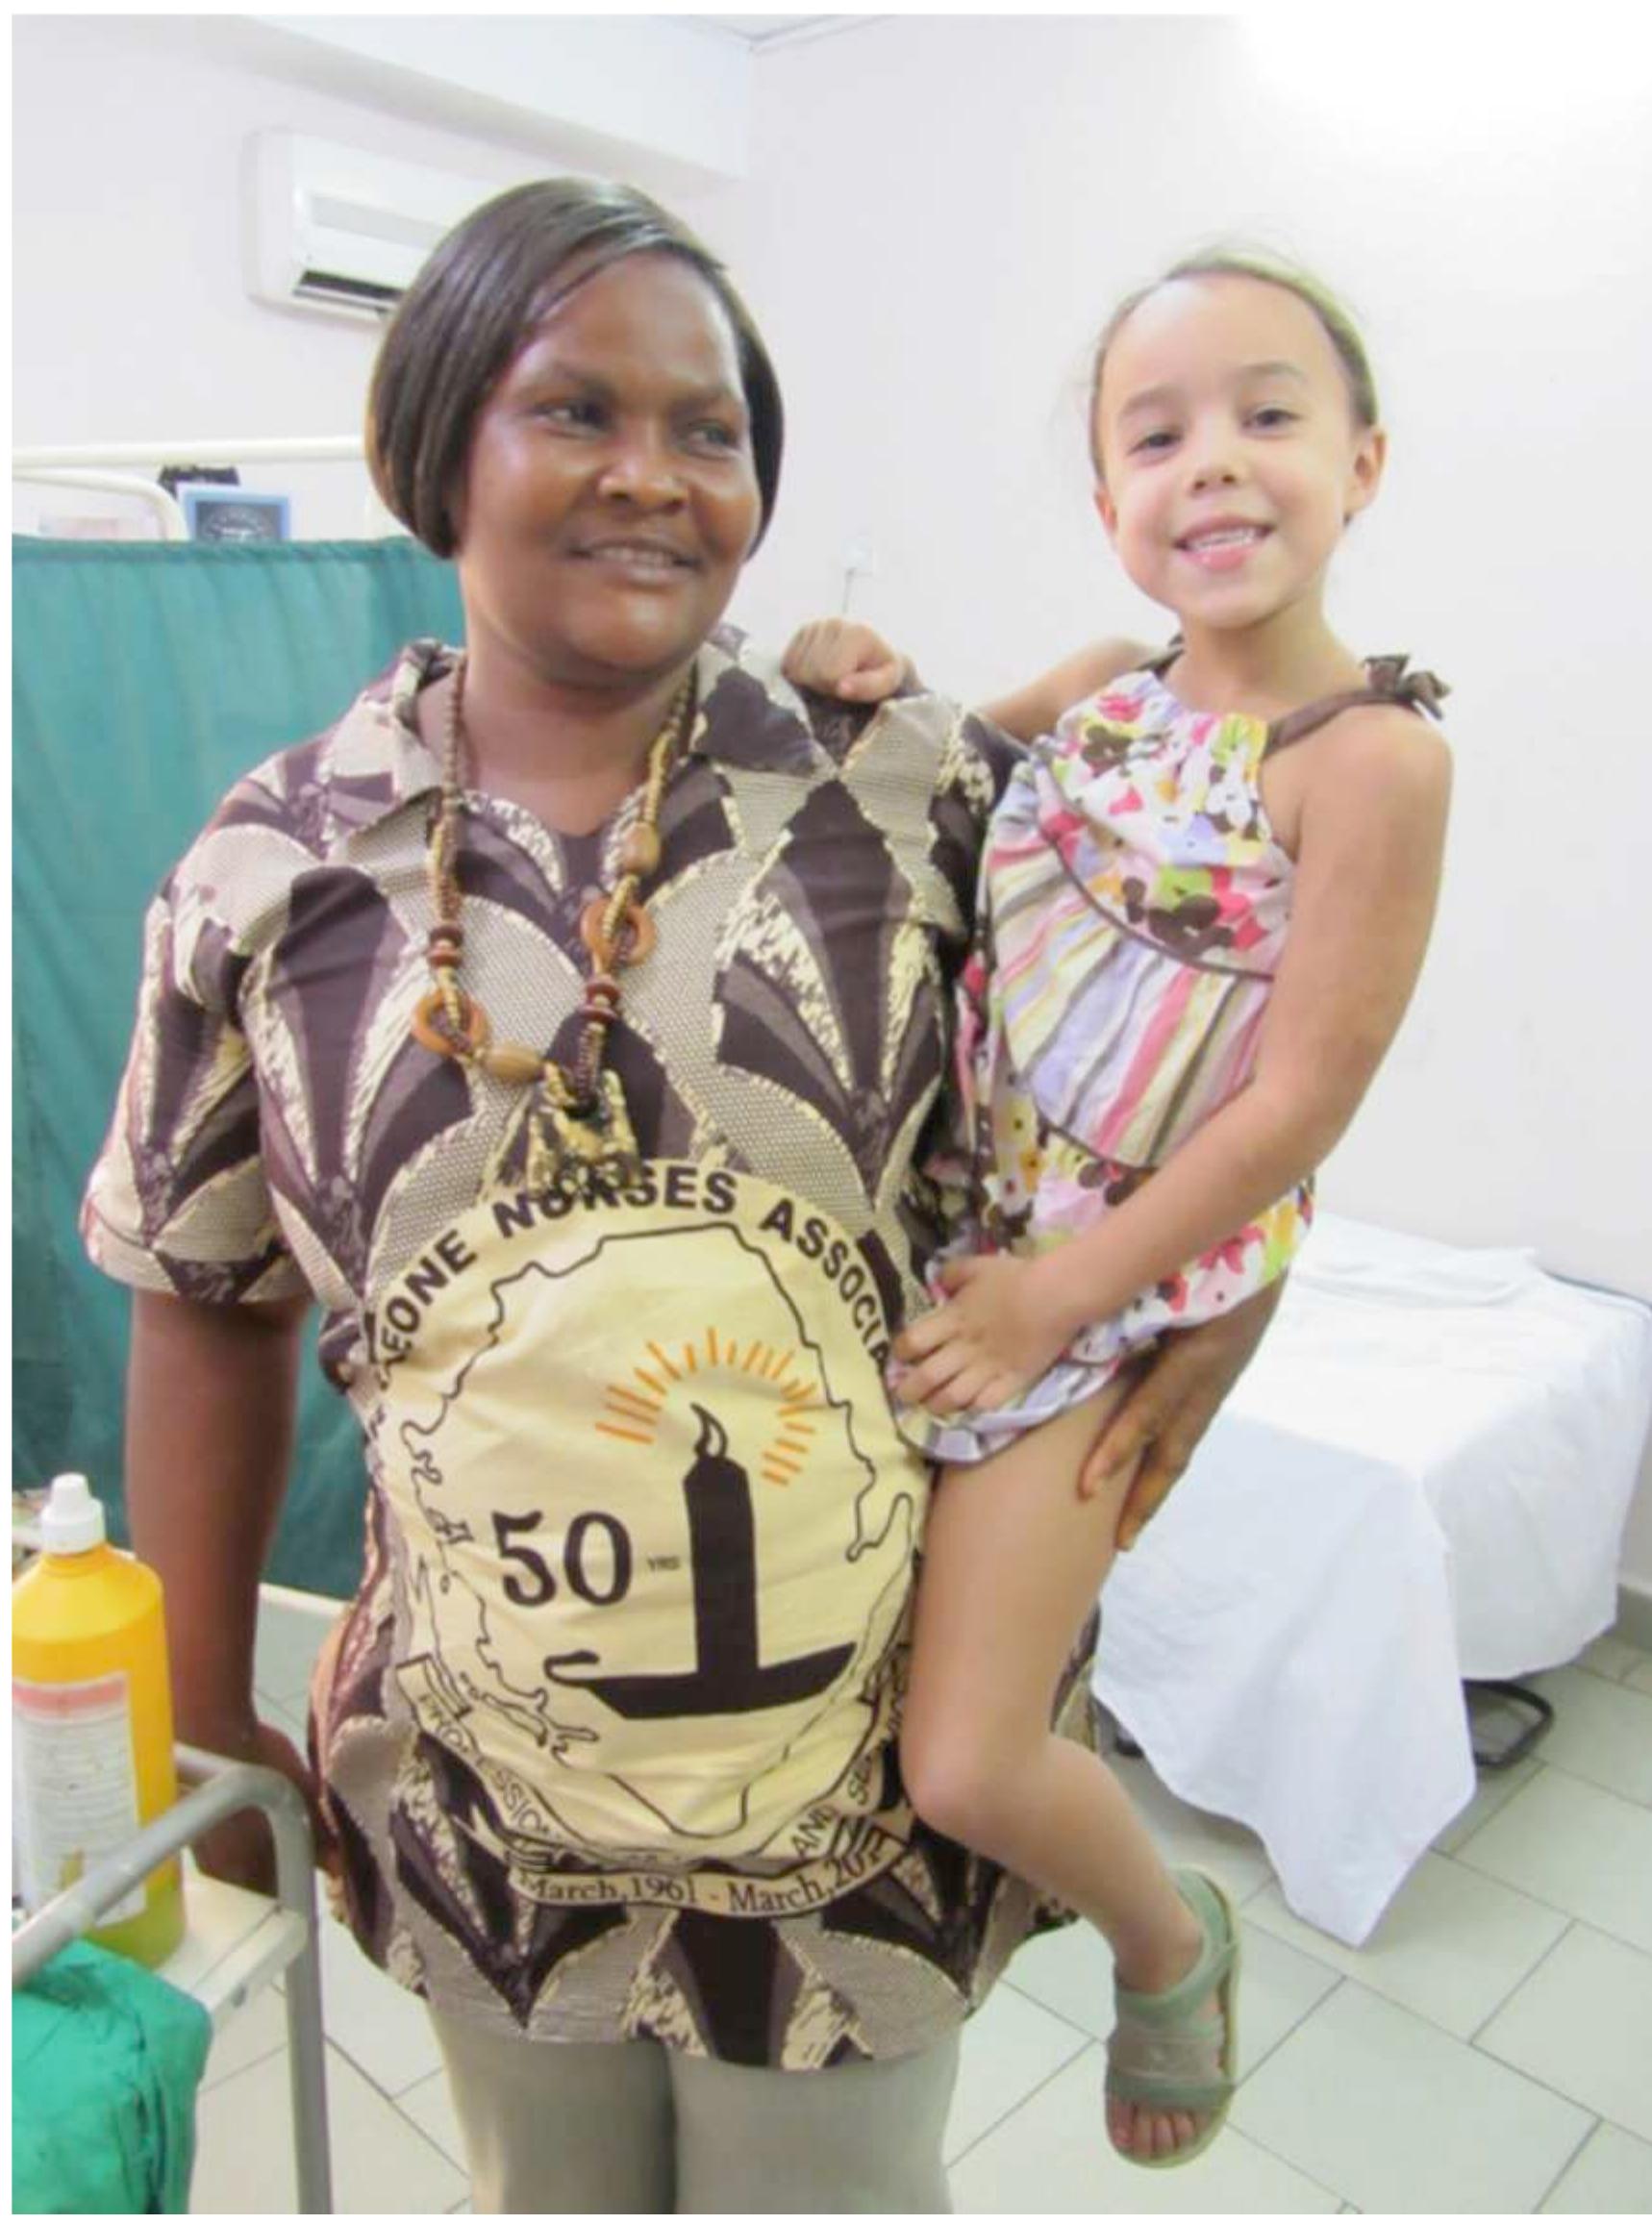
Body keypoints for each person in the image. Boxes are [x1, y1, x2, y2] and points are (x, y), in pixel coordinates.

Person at [82, 186, 1280, 2215]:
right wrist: (198, 1712)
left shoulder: (904, 782)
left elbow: (1176, 1035)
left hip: (852, 1781)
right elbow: (204, 1297)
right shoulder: (267, 868)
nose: (653, 475)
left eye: (708, 430)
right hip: (486, 1793)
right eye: (575, 410)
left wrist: (1237, 1292)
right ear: (437, 437)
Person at [784, 251, 1451, 2169]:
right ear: (1105, 505)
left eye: (1267, 415)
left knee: (967, 1752)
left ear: (1363, 460)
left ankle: (1172, 1937)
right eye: (1156, 436)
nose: (1213, 465)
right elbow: (881, 801)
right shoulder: (1094, 694)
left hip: (1094, 1293)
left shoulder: (1375, 761)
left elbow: (1305, 1092)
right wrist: (853, 677)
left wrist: (1059, 1290)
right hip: (944, 1226)